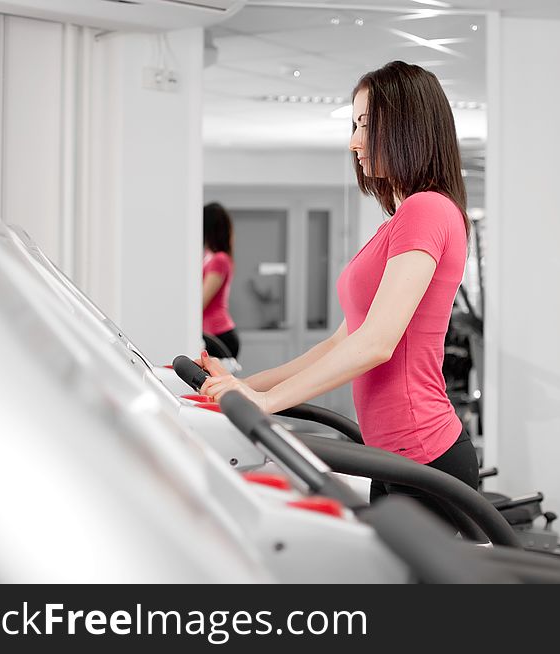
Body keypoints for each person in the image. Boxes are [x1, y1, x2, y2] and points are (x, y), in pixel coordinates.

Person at [198, 61, 478, 524]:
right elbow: (342, 341)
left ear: (406, 124)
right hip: (394, 453)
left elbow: (376, 343)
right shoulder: (406, 217)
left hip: (423, 452)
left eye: (366, 124)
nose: (354, 141)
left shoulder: (427, 210)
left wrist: (268, 403)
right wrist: (248, 386)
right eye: (354, 125)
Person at [202, 202, 240, 361]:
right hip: (211, 333)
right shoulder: (208, 257)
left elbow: (202, 301)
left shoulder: (219, 259)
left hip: (219, 336)